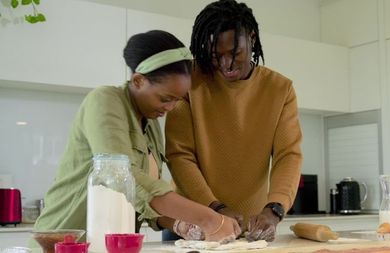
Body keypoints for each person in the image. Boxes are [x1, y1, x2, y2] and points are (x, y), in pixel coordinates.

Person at [33, 30, 241, 243]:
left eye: (175, 100)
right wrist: (208, 218)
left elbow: (144, 200)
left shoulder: (150, 123)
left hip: (111, 245)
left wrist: (179, 223)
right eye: (165, 98)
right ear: (139, 80)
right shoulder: (105, 100)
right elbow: (124, 176)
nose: (169, 108)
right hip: (64, 242)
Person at [165, 0, 303, 242]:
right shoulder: (190, 83)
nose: (226, 65)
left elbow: (288, 156)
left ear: (251, 38)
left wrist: (274, 210)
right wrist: (215, 208)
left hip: (250, 228)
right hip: (193, 224)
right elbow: (179, 156)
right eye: (216, 56)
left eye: (234, 53)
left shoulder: (280, 90)